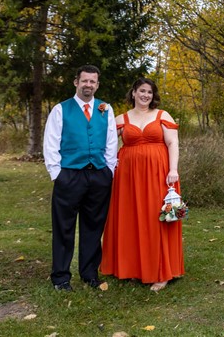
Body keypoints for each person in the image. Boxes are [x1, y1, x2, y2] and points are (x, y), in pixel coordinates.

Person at [100, 78, 184, 291]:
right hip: (128, 177)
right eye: (142, 91)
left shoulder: (162, 115)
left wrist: (173, 169)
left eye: (149, 92)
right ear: (134, 92)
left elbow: (172, 142)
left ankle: (161, 271)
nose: (145, 95)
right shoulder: (121, 118)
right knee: (130, 218)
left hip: (158, 173)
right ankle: (133, 268)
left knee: (155, 219)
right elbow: (106, 142)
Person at [43, 65, 118, 290]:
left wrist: (108, 171)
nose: (88, 85)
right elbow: (51, 143)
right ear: (76, 82)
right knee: (64, 227)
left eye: (92, 82)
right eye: (84, 81)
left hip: (98, 176)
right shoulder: (60, 109)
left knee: (93, 227)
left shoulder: (106, 109)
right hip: (69, 176)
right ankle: (61, 277)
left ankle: (89, 274)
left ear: (97, 85)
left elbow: (111, 142)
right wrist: (57, 174)